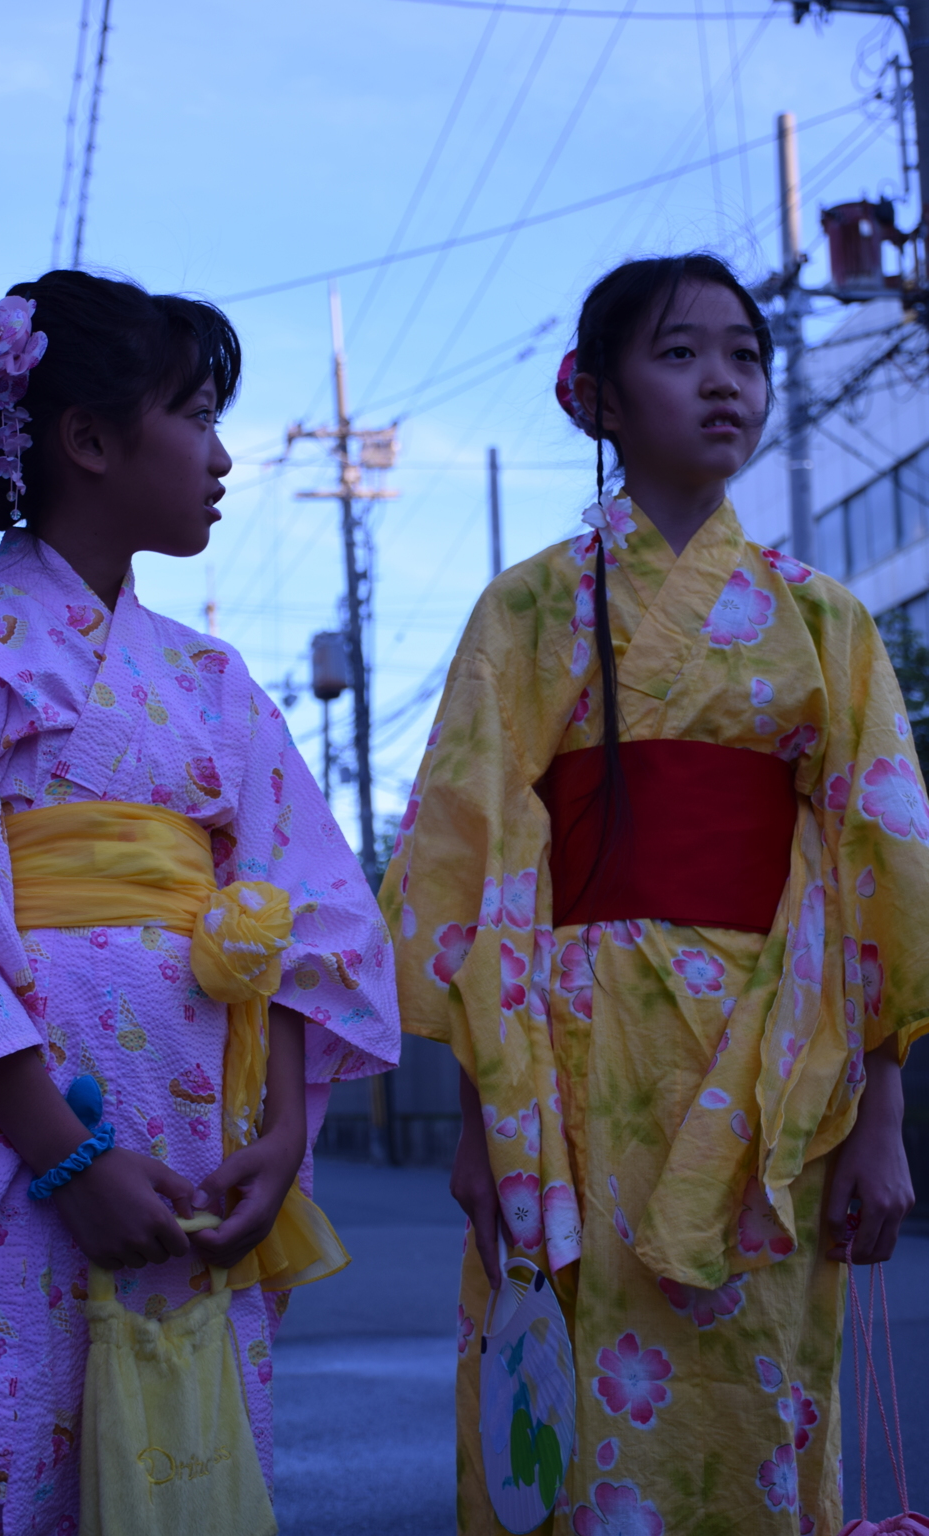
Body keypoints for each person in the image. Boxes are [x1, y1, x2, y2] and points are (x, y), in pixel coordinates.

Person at [379, 253, 928, 1535]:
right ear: (600, 399)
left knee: (763, 1377)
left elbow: (879, 867)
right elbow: (470, 861)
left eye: (743, 354)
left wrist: (883, 1110)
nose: (722, 382)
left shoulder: (822, 618)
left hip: (777, 1055)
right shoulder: (526, 610)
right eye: (678, 356)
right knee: (573, 1381)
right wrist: (475, 1118)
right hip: (570, 1057)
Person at [0, 270, 400, 1535]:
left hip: (199, 1136)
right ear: (87, 439)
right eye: (196, 415)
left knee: (186, 1450)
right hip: (18, 1135)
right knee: (15, 1442)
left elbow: (304, 912)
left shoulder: (216, 679)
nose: (223, 454)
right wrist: (61, 1151)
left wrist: (283, 1140)